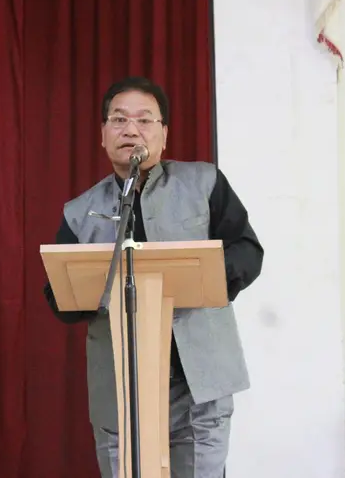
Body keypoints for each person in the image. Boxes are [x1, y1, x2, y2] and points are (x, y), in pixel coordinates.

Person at [43, 76, 263, 478]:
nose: (131, 130)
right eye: (119, 119)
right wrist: (80, 288)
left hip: (197, 384)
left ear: (164, 133)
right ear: (103, 135)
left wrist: (199, 278)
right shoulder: (79, 212)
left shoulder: (204, 183)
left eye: (144, 120)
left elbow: (247, 251)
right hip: (121, 389)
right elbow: (60, 298)